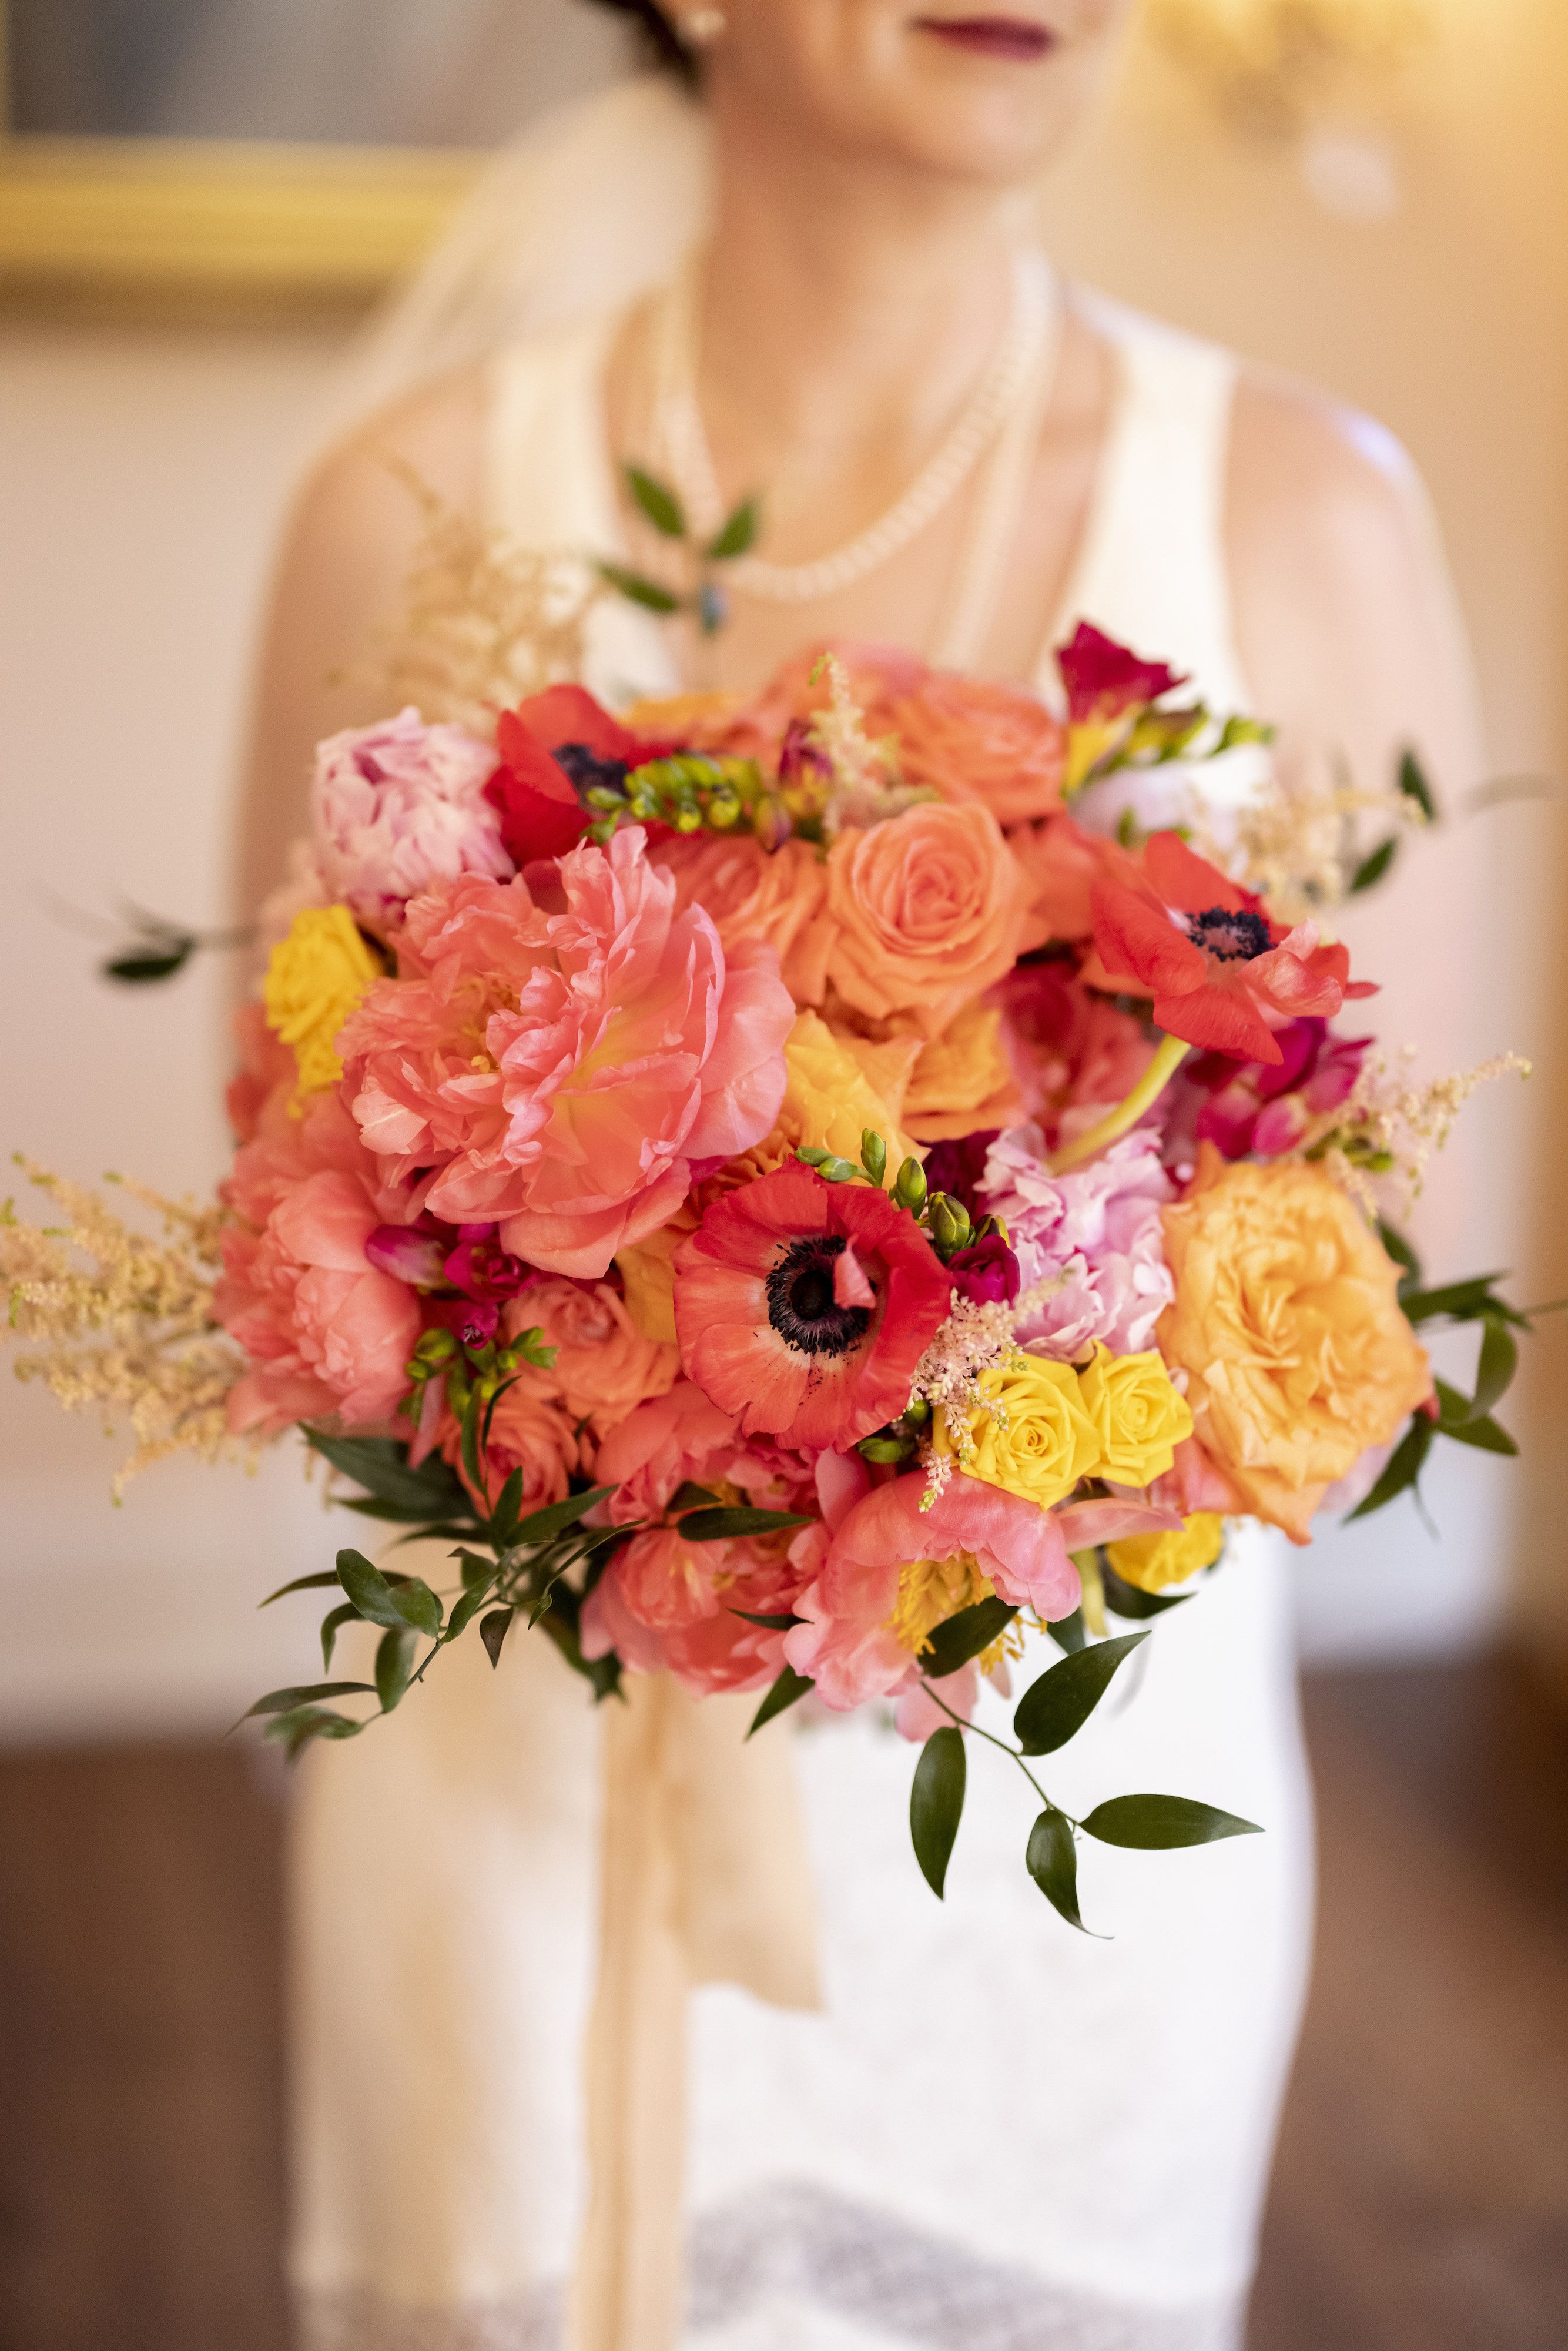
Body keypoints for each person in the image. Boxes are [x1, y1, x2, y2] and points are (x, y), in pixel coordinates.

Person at [237, 5, 1483, 2346]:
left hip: (1055, 1844)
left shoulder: (1303, 514)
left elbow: (1361, 1257)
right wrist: (634, 1384)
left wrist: (966, 1406)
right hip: (536, 1829)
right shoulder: (401, 509)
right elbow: (295, 1187)